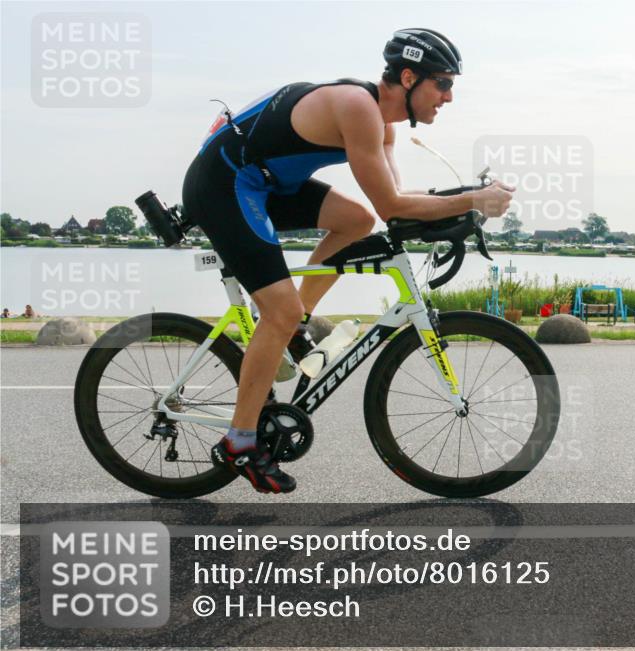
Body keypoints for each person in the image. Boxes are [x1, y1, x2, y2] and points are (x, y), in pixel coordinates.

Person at [181, 29, 514, 494]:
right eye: (442, 83)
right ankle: (239, 442)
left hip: (267, 183)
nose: (449, 96)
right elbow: (394, 208)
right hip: (224, 184)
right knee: (279, 311)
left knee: (355, 219)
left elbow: (390, 202)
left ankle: (294, 324)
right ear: (407, 76)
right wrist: (473, 199)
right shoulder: (358, 108)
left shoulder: (386, 125)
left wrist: (464, 200)